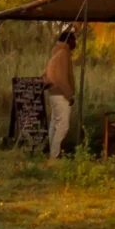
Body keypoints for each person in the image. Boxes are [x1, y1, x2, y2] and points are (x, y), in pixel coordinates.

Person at [43, 26, 77, 159]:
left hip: (53, 93)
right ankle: (54, 155)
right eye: (74, 41)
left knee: (55, 124)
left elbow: (45, 75)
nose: (76, 44)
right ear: (69, 41)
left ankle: (53, 153)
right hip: (61, 94)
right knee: (63, 126)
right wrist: (69, 95)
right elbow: (61, 77)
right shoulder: (63, 54)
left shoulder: (55, 54)